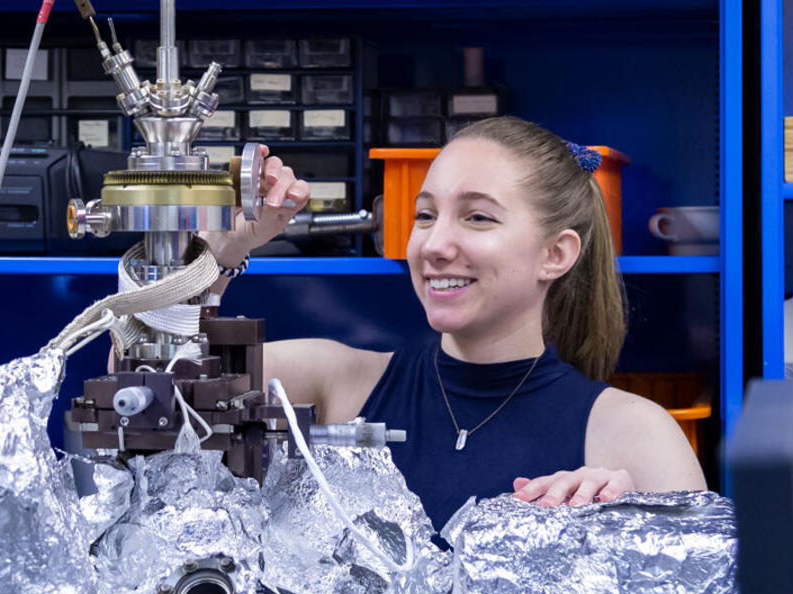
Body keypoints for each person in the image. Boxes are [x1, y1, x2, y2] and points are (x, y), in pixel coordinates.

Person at [201, 116, 707, 534]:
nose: (435, 245)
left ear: (555, 254)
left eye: (477, 218)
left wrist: (624, 534)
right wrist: (218, 256)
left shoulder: (636, 438)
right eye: (425, 216)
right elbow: (149, 396)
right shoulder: (334, 381)